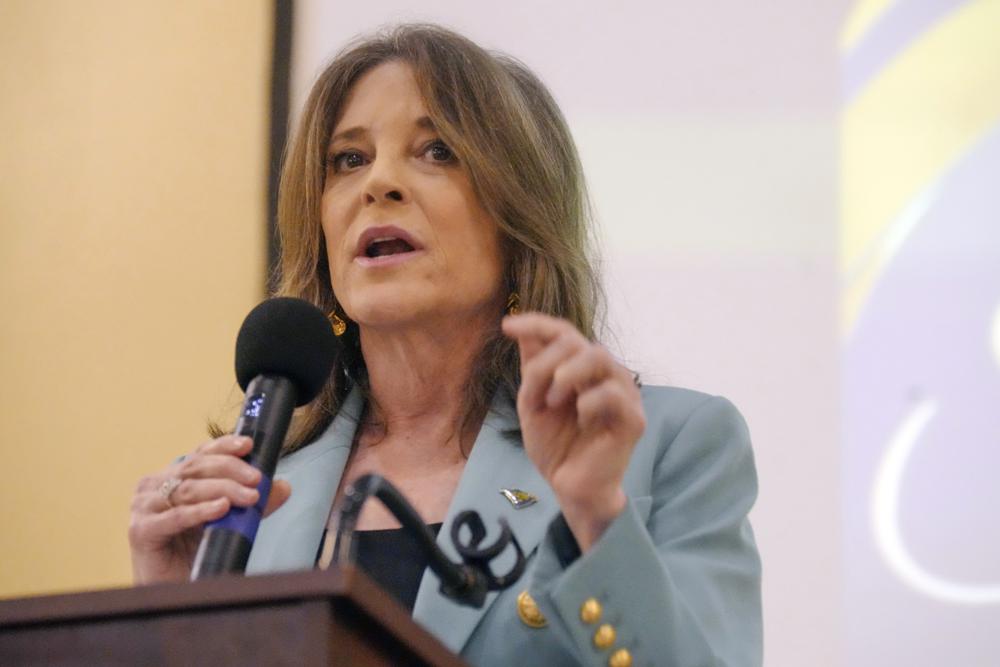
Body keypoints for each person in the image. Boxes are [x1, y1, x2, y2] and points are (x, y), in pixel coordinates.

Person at [128, 24, 762, 666]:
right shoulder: (241, 502)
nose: (380, 183)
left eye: (436, 151)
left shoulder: (671, 445)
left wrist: (595, 516)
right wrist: (172, 609)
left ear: (519, 214)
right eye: (349, 159)